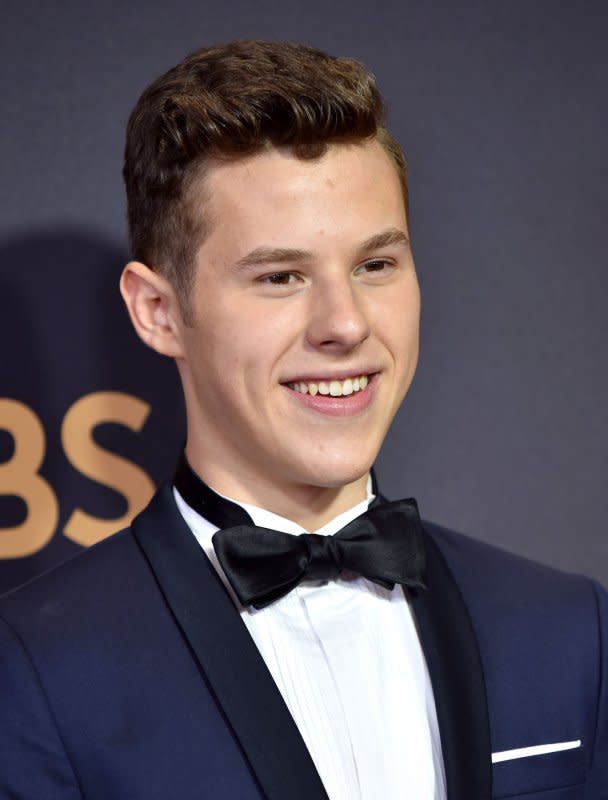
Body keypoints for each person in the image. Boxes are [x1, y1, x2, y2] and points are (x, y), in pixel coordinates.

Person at [0, 40, 605, 800]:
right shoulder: (32, 671)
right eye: (281, 277)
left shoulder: (569, 632)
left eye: (375, 265)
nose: (345, 324)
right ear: (158, 311)